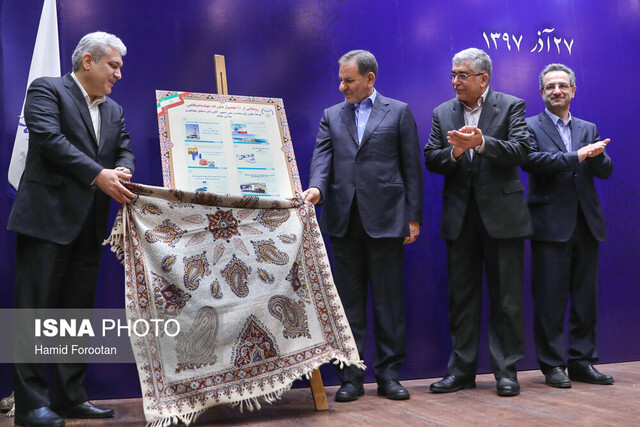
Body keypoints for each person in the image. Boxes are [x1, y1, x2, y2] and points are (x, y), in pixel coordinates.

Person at [7, 31, 135, 427]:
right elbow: (48, 139)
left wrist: (124, 168)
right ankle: (30, 406)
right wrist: (99, 174)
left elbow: (124, 146)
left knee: (75, 316)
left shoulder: (113, 110)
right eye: (113, 66)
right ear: (88, 62)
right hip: (46, 221)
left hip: (90, 225)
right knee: (34, 314)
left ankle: (69, 398)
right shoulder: (46, 90)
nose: (118, 74)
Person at [303, 50, 423, 402]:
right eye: (340, 80)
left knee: (389, 303)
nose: (342, 87)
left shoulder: (399, 112)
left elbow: (411, 168)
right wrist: (316, 188)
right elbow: (322, 159)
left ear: (370, 79)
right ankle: (350, 379)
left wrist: (412, 218)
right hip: (343, 220)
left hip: (387, 219)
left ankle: (388, 376)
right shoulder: (331, 115)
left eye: (348, 80)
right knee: (348, 306)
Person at [424, 48, 531, 397]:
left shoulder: (511, 105)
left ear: (483, 79)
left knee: (507, 300)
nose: (455, 81)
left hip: (503, 218)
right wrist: (454, 152)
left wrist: (482, 142)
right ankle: (461, 372)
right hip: (459, 219)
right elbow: (431, 159)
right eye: (453, 75)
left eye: (462, 75)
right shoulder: (443, 112)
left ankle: (506, 372)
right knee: (462, 299)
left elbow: (521, 150)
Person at [522, 64, 613, 388]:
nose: (557, 90)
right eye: (550, 87)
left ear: (573, 90)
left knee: (585, 299)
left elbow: (604, 171)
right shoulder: (528, 126)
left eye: (562, 85)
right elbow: (533, 162)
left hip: (586, 224)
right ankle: (552, 366)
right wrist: (578, 155)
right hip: (549, 225)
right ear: (542, 93)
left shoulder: (588, 128)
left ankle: (582, 361)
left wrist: (598, 155)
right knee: (550, 300)